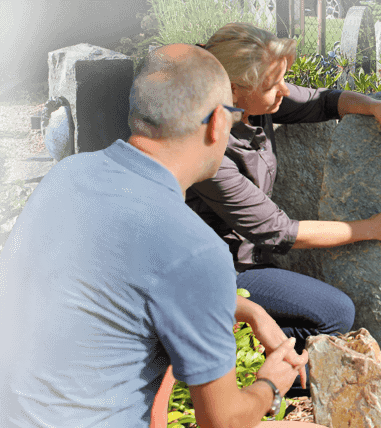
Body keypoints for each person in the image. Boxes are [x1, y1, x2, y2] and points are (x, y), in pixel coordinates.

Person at [0, 43, 326, 428]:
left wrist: (249, 309)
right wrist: (272, 382)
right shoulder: (193, 246)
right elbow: (223, 422)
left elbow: (118, 290)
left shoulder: (64, 177)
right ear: (219, 123)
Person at [181, 21, 381, 399]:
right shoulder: (208, 147)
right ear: (233, 90)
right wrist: (373, 227)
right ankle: (245, 376)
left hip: (254, 261)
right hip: (219, 272)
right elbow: (279, 231)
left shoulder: (256, 105)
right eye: (273, 85)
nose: (284, 90)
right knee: (334, 313)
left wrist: (376, 107)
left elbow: (324, 101)